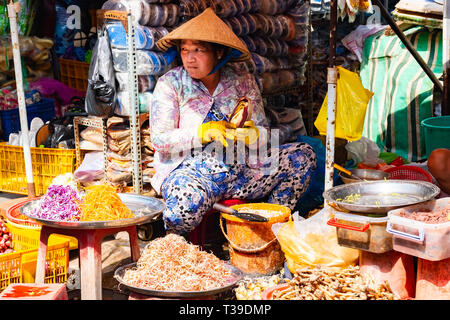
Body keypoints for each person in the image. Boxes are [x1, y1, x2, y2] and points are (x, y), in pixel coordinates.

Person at [150, 8, 316, 234]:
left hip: (242, 171)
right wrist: (203, 132)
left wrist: (254, 135)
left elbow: (262, 133)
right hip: (192, 175)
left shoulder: (242, 81)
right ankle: (174, 247)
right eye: (185, 50)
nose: (190, 58)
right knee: (181, 211)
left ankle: (267, 229)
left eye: (199, 50)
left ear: (219, 53)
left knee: (303, 156)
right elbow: (159, 140)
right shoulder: (170, 84)